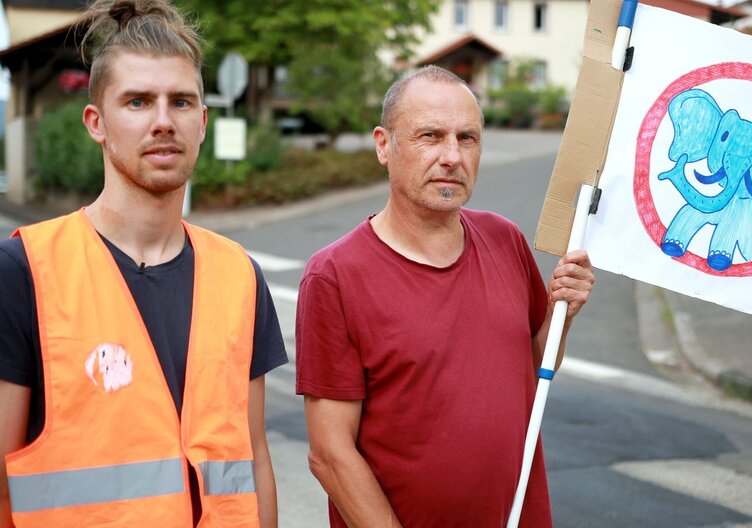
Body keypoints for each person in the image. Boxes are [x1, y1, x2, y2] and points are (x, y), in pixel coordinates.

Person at [0, 1, 287, 527]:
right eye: (137, 101)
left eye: (180, 102)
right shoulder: (24, 271)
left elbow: (252, 457)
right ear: (97, 123)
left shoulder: (239, 274)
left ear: (201, 123)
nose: (162, 121)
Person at [295, 65, 595, 527]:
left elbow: (530, 376)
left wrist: (562, 313)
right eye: (430, 136)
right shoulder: (335, 276)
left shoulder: (505, 240)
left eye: (467, 138)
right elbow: (330, 454)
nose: (452, 156)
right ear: (384, 145)